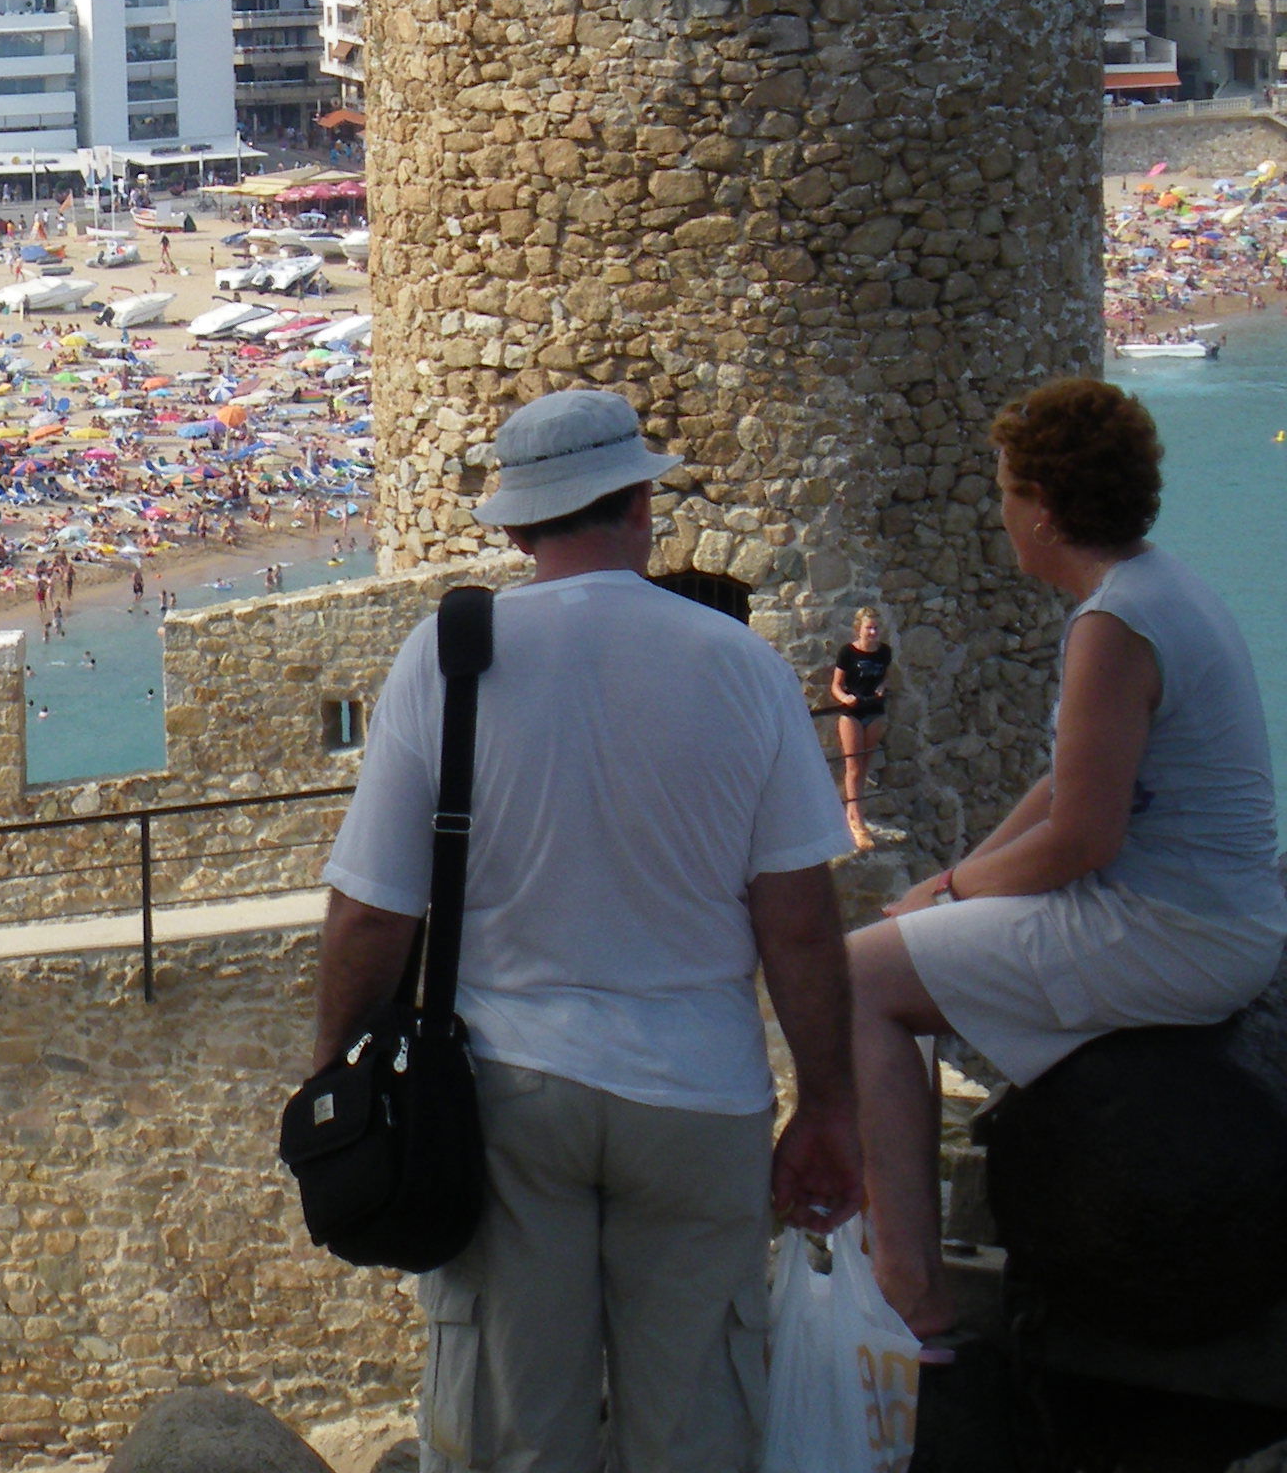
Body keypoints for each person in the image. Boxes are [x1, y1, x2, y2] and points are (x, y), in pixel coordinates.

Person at [311, 388, 858, 1473]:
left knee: (519, 1430)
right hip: (700, 1096)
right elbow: (797, 925)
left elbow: (375, 910)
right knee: (701, 1425)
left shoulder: (449, 656)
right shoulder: (741, 667)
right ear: (641, 505)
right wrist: (829, 1106)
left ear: (515, 527)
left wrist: (328, 1067)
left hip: (509, 1093)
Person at [849, 378, 1287, 1343]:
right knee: (899, 947)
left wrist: (954, 890)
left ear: (1043, 510)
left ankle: (907, 1285)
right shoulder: (1158, 589)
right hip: (1222, 918)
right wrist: (948, 885)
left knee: (858, 981)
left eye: (1007, 490)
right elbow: (1067, 784)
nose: (999, 509)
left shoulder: (1112, 628)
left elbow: (1086, 839)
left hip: (1175, 931)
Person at [828, 607, 894, 852]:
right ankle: (856, 820)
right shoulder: (848, 652)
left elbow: (886, 677)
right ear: (860, 628)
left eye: (876, 628)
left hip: (874, 710)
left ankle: (855, 813)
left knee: (864, 765)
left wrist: (882, 688)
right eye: (869, 628)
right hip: (852, 713)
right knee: (853, 767)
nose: (873, 632)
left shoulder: (884, 652)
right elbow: (836, 685)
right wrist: (844, 698)